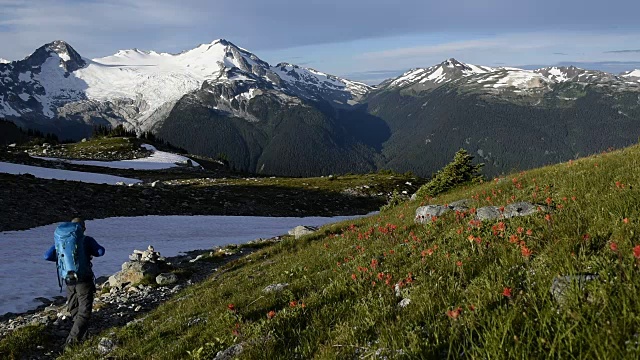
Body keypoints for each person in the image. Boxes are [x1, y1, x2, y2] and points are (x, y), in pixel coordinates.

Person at [44, 218, 105, 345]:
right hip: (84, 280)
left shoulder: (62, 241)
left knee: (73, 308)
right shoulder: (86, 240)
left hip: (69, 280)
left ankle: (83, 335)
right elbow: (100, 251)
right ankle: (72, 341)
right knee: (84, 311)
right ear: (82, 228)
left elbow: (47, 256)